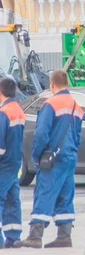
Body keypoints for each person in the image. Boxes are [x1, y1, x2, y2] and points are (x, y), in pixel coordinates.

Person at [15, 70, 83, 249]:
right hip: (69, 157)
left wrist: (36, 156)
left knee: (44, 193)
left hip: (52, 158)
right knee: (65, 194)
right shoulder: (77, 106)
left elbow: (41, 134)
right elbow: (77, 136)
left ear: (52, 84)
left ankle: (35, 236)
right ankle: (64, 235)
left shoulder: (51, 104)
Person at [0, 77, 24, 249]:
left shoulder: (3, 113)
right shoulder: (18, 109)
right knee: (12, 200)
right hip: (15, 162)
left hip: (4, 164)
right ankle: (14, 236)